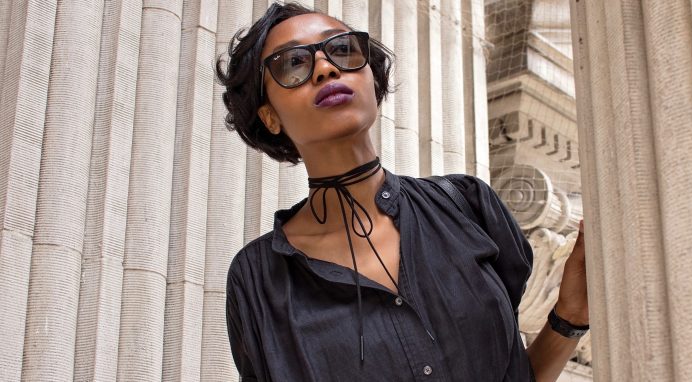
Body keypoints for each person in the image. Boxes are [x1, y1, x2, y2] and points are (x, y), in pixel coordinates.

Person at [216, 3, 589, 381]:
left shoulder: (468, 207)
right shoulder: (258, 280)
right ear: (270, 116)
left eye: (343, 50)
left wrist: (569, 318)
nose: (326, 68)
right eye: (293, 63)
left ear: (371, 78)